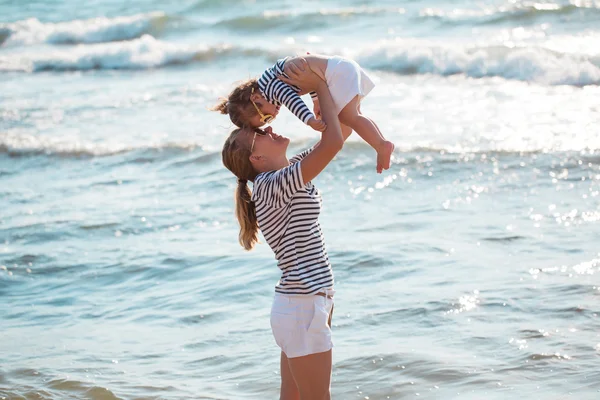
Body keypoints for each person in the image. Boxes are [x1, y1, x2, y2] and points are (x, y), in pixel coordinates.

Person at [218, 59, 347, 399]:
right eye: (259, 135)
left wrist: (327, 98)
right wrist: (317, 84)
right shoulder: (272, 183)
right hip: (302, 302)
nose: (269, 129)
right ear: (256, 159)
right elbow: (333, 142)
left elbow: (339, 133)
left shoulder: (287, 171)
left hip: (303, 301)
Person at [214, 53, 395, 174]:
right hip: (339, 68)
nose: (273, 118)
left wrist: (309, 120)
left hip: (335, 74)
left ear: (256, 98)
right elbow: (308, 77)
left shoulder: (271, 87)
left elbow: (292, 100)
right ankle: (378, 142)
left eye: (266, 118)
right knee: (353, 116)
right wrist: (316, 100)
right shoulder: (270, 79)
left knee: (349, 117)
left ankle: (381, 145)